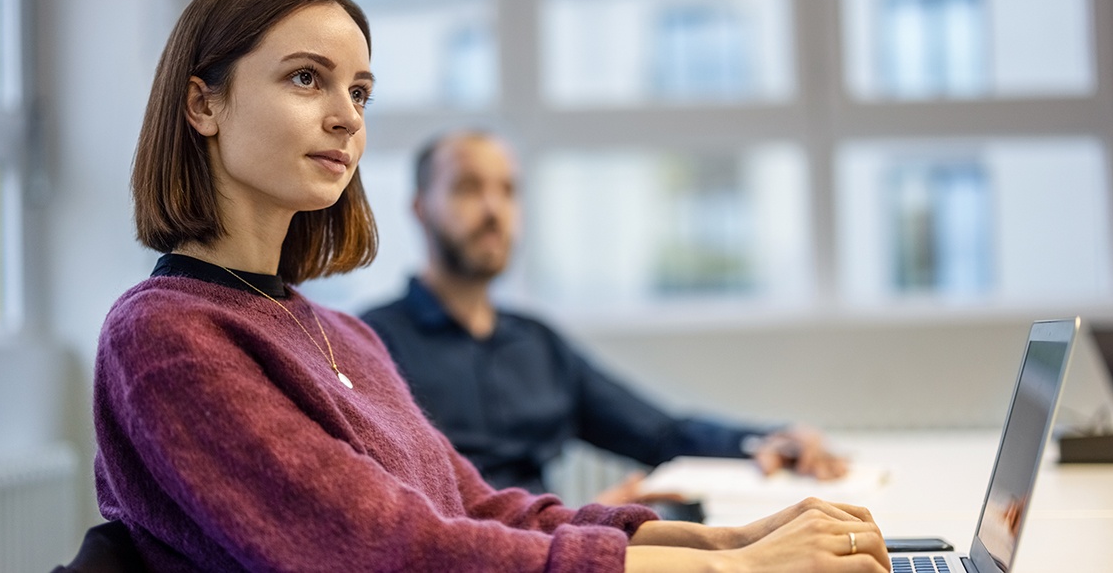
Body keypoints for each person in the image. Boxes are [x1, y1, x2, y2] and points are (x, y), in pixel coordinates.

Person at [93, 0, 890, 572]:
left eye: (360, 91)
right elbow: (378, 548)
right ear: (204, 105)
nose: (347, 116)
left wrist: (720, 536)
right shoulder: (165, 333)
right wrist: (727, 569)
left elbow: (478, 505)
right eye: (307, 78)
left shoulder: (336, 334)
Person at [362, 130, 848, 500]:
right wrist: (580, 527)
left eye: (508, 190)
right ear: (421, 208)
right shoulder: (370, 345)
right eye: (469, 188)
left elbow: (660, 434)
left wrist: (766, 439)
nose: (494, 209)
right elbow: (398, 514)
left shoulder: (538, 344)